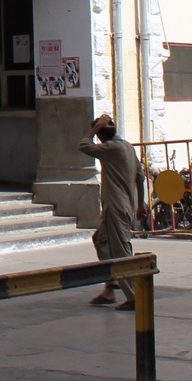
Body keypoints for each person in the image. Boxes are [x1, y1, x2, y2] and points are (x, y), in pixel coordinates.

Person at [79, 114, 140, 311]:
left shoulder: (112, 148)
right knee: (101, 241)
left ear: (101, 136)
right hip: (119, 206)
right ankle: (111, 286)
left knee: (121, 252)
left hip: (117, 206)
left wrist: (94, 129)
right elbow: (140, 176)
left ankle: (134, 298)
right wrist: (142, 205)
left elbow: (83, 146)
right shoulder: (127, 147)